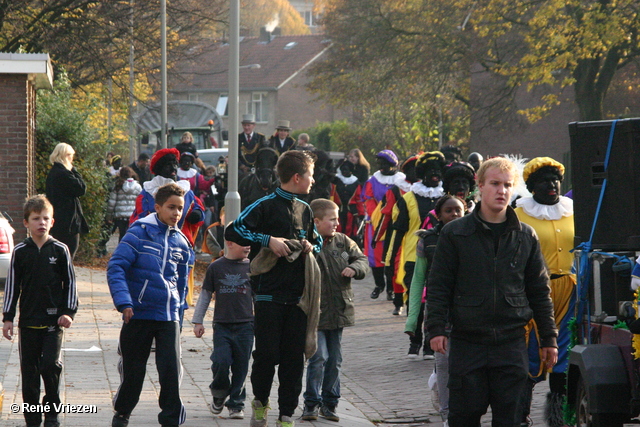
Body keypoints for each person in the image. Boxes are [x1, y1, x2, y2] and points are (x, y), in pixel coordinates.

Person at [427, 157, 558, 426]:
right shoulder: (455, 234)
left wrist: (548, 338)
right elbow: (439, 285)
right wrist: (436, 328)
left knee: (511, 418)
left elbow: (539, 291)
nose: (501, 190)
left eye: (507, 185)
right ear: (480, 186)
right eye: (495, 183)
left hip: (511, 343)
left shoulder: (525, 235)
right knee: (463, 416)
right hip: (467, 341)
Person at [225, 150, 322, 427]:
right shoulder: (264, 205)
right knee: (266, 355)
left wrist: (309, 246)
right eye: (310, 176)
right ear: (296, 177)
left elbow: (319, 243)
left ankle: (287, 413)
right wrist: (268, 240)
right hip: (268, 294)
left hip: (299, 297)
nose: (312, 181)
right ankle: (260, 402)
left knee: (294, 358)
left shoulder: (306, 209)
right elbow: (233, 230)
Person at [108, 183, 194, 427]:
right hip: (137, 314)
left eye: (180, 208)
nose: (177, 213)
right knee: (134, 373)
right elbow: (116, 267)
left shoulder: (182, 242)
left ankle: (170, 420)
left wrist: (179, 312)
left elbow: (182, 284)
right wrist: (124, 302)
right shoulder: (138, 233)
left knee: (169, 372)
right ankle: (122, 413)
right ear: (157, 207)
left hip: (168, 317)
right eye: (171, 207)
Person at [3, 195, 78, 427]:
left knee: (50, 366)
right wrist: (8, 318)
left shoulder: (60, 249)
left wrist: (68, 312)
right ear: (26, 223)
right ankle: (32, 418)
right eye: (36, 219)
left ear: (52, 222)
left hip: (53, 321)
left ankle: (52, 412)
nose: (41, 223)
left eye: (45, 218)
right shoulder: (21, 251)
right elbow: (12, 285)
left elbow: (71, 283)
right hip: (28, 321)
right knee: (30, 371)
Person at [514, 157, 575, 427]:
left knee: (564, 352)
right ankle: (520, 415)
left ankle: (558, 417)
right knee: (530, 352)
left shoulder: (573, 210)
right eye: (543, 181)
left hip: (570, 293)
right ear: (531, 186)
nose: (551, 185)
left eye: (555, 180)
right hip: (533, 292)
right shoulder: (517, 215)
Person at [301, 199, 368, 423]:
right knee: (318, 357)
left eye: (337, 219)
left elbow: (362, 259)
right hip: (316, 313)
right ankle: (311, 402)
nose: (337, 223)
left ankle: (330, 403)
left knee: (335, 359)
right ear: (317, 221)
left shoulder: (343, 242)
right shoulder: (307, 243)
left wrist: (354, 268)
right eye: (332, 219)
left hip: (339, 310)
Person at [404, 195, 465, 424]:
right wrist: (412, 321)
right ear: (438, 215)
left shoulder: (472, 236)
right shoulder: (427, 241)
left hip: (467, 307)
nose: (454, 215)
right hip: (438, 308)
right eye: (449, 211)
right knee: (444, 361)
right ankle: (448, 414)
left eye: (458, 210)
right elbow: (418, 280)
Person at [192, 237, 253, 420]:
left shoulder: (252, 267)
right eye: (243, 241)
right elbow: (205, 295)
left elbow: (259, 297)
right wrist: (198, 321)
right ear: (229, 242)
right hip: (222, 326)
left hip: (246, 326)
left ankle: (236, 403)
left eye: (250, 242)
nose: (248, 246)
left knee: (241, 366)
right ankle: (219, 393)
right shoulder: (216, 267)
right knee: (220, 361)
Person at [362, 150, 404, 302]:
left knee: (393, 255)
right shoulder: (373, 180)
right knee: (376, 255)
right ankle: (379, 284)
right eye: (380, 164)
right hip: (376, 222)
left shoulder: (402, 180)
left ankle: (391, 289)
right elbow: (368, 199)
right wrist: (377, 216)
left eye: (385, 164)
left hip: (397, 221)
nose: (382, 167)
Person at [45, 142, 89, 259]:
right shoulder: (64, 173)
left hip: (59, 218)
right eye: (70, 155)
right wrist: (73, 170)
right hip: (68, 220)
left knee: (61, 251)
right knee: (69, 251)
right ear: (65, 156)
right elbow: (81, 188)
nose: (72, 159)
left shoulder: (53, 172)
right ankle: (66, 275)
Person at [106, 166, 142, 243]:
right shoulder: (137, 187)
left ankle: (121, 251)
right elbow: (140, 202)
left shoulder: (118, 186)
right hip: (132, 216)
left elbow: (111, 203)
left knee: (122, 234)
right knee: (131, 235)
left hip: (120, 217)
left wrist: (108, 217)